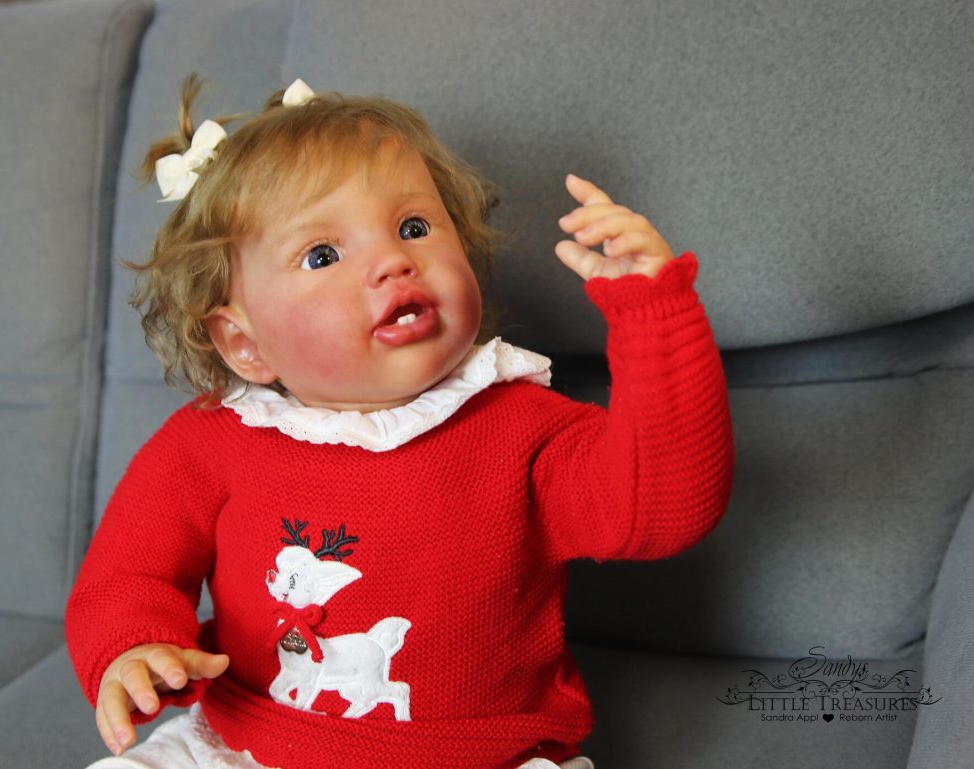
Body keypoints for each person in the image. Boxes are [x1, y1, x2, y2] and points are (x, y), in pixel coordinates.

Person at [65, 75, 735, 769]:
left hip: (484, 756)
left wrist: (654, 314)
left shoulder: (522, 428)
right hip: (244, 741)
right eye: (323, 254)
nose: (394, 260)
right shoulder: (209, 442)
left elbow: (662, 506)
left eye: (414, 227)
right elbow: (128, 572)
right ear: (244, 343)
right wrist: (136, 646)